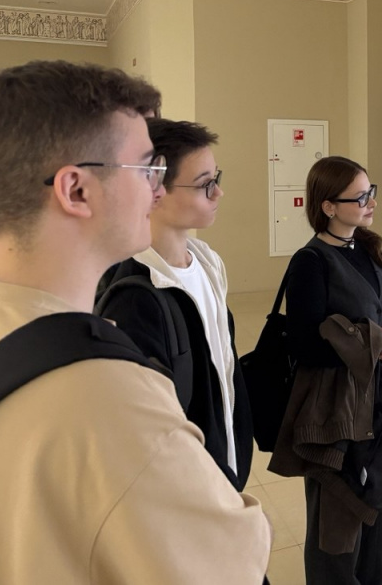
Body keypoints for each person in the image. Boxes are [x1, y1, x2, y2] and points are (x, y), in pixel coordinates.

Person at [0, 61, 271, 584]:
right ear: (76, 190)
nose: (156, 190)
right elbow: (233, 561)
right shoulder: (112, 398)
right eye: (146, 169)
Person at [97, 118, 254, 491]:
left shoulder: (208, 262)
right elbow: (145, 435)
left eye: (217, 179)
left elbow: (223, 368)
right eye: (204, 184)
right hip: (186, 485)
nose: (218, 193)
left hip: (225, 464)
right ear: (153, 189)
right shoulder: (134, 296)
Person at [274, 156, 382, 584]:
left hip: (379, 400)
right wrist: (370, 342)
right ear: (328, 206)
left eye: (371, 192)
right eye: (360, 197)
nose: (371, 203)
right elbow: (304, 345)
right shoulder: (310, 262)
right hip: (335, 408)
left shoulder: (369, 248)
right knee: (338, 519)